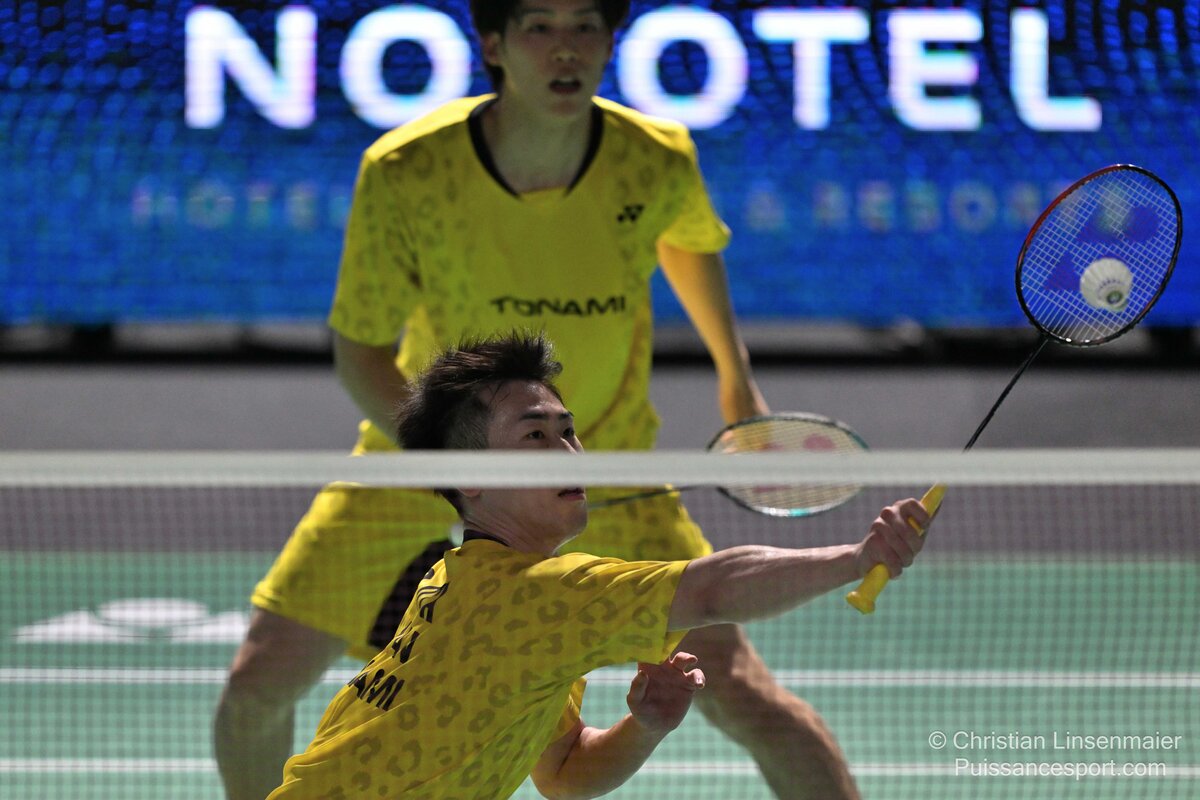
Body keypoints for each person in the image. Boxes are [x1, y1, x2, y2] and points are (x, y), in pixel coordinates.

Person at [214, 1, 853, 797]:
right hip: (422, 455)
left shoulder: (654, 159)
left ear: (610, 42)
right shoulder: (409, 169)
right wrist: (452, 460)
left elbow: (689, 244)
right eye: (539, 27)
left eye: (584, 26)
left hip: (601, 463)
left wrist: (736, 378)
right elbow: (359, 350)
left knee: (740, 691)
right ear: (494, 44)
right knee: (258, 683)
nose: (565, 50)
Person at [267, 333, 929, 799]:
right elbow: (712, 589)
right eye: (534, 435)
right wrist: (855, 558)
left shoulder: (459, 580)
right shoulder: (537, 595)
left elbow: (562, 771)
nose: (567, 452)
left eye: (567, 431)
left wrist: (644, 728)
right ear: (470, 476)